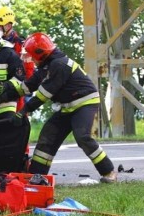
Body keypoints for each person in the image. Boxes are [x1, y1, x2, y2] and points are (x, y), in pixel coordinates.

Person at [6, 32, 117, 183]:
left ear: (40, 53)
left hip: (84, 103)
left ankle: (109, 172)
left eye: (32, 55)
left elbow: (43, 94)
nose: (31, 59)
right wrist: (6, 91)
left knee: (82, 137)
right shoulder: (46, 66)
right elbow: (28, 86)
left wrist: (24, 110)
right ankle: (36, 176)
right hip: (66, 108)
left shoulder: (59, 65)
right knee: (47, 138)